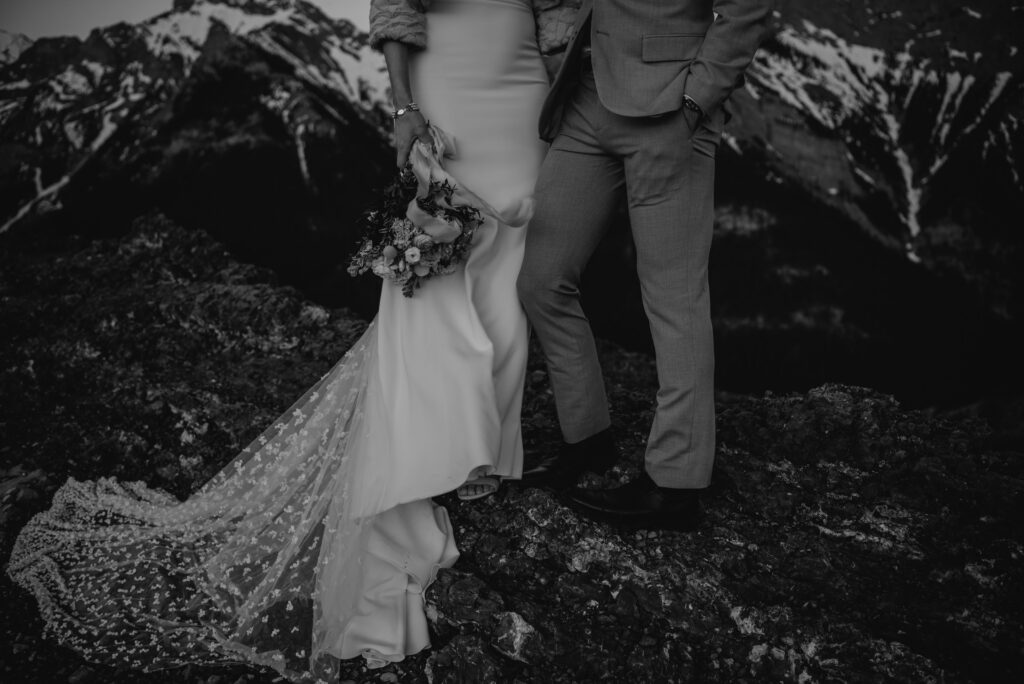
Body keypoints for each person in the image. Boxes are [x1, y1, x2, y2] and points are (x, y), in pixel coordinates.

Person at [5, 0, 549, 680]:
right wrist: (404, 107)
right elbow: (395, 9)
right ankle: (434, 449)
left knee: (508, 265)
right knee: (442, 259)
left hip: (530, 93)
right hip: (450, 85)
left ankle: (485, 449)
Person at [518, 0, 773, 531]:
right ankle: (587, 437)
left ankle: (675, 483)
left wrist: (697, 98)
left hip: (668, 107)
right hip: (587, 96)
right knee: (541, 279)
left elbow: (748, 5)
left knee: (674, 298)